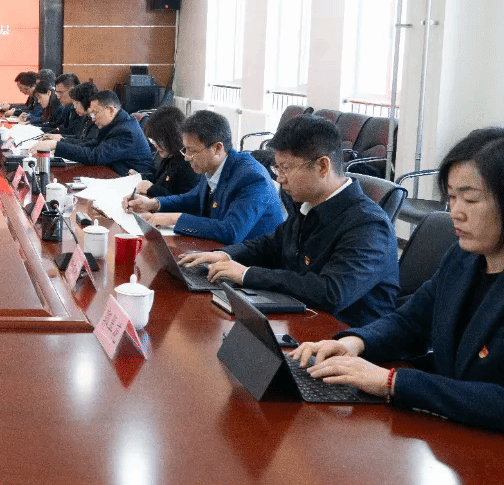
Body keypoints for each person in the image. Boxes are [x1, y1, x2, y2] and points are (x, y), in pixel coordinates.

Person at [290, 128, 504, 432]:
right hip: (448, 430)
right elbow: (411, 321)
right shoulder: (462, 257)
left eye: (470, 199)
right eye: (452, 197)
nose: (455, 212)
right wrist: (355, 343)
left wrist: (392, 382)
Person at [178, 115, 399, 327]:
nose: (279, 178)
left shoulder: (368, 225)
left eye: (286, 168)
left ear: (322, 166)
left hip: (343, 338)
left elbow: (331, 291)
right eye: (277, 168)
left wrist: (247, 275)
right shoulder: (308, 204)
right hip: (301, 319)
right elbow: (271, 244)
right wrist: (226, 255)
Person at [126, 109, 283, 245]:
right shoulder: (212, 165)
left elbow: (231, 231)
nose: (186, 157)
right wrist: (153, 203)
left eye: (192, 151)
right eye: (185, 149)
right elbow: (192, 199)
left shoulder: (252, 177)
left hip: (248, 261)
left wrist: (175, 219)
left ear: (217, 148)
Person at [31, 90, 153, 178]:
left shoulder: (126, 131)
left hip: (132, 182)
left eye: (95, 113)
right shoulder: (116, 123)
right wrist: (58, 143)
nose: (93, 118)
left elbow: (95, 156)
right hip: (113, 173)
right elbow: (92, 144)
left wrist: (56, 146)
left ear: (111, 110)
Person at [133, 105, 201, 197]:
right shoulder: (170, 153)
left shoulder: (188, 162)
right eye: (153, 140)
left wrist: (152, 189)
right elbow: (159, 180)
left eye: (159, 141)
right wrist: (139, 177)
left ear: (173, 137)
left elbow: (185, 201)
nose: (155, 145)